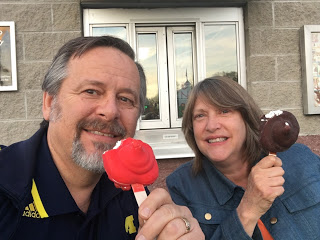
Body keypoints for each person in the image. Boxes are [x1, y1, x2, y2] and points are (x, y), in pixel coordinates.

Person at [0, 36, 204, 240]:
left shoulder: (136, 199)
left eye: (125, 99)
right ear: (49, 103)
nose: (110, 111)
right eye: (91, 91)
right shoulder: (6, 188)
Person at [166, 76, 320, 240]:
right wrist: (248, 208)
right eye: (200, 116)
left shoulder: (301, 159)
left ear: (246, 118)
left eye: (224, 111)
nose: (211, 126)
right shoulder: (181, 186)